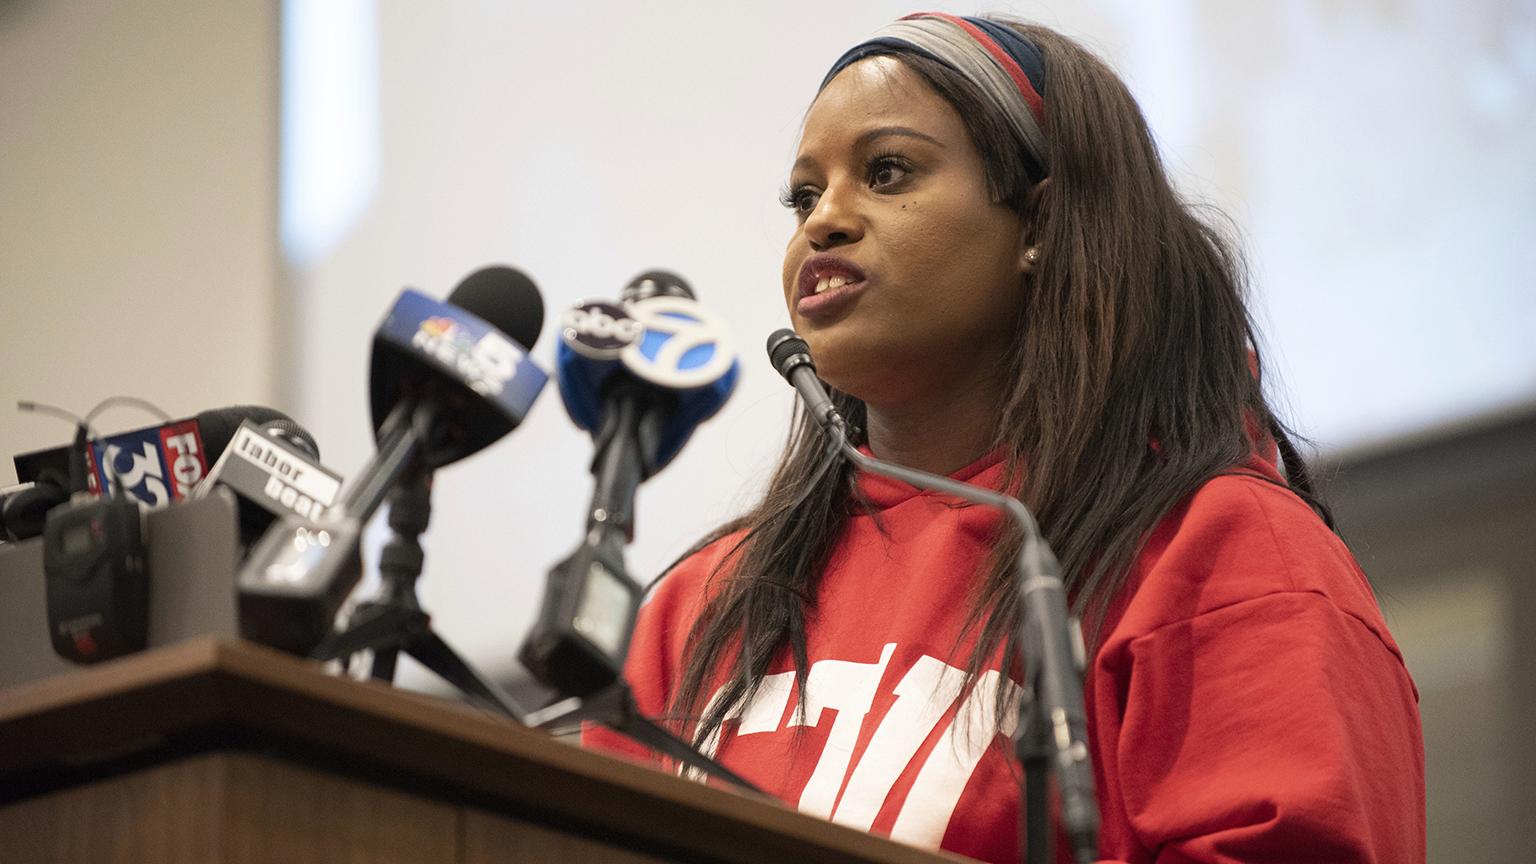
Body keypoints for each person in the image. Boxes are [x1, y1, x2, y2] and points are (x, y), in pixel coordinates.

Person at [585, 12, 1425, 864]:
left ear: (1040, 225)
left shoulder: (1220, 552)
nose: (823, 222)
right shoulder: (702, 606)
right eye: (804, 196)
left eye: (886, 171)